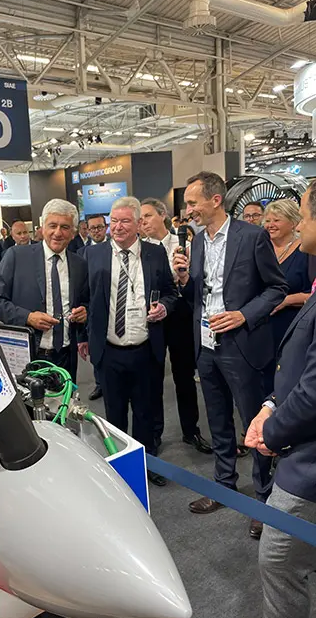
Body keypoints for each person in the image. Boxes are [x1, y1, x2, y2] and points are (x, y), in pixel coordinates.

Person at [173, 171, 288, 532]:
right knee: (218, 419)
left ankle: (264, 501)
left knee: (253, 423)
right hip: (207, 346)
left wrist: (243, 315)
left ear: (215, 200)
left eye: (192, 203)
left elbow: (277, 288)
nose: (188, 210)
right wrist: (184, 281)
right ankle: (224, 486)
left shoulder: (251, 236)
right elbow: (199, 294)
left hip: (243, 346)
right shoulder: (197, 242)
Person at [245, 182, 316, 618]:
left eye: (305, 214)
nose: (300, 222)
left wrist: (271, 431)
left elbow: (313, 392)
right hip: (297, 439)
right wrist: (272, 403)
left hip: (307, 466)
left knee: (278, 560)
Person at [84, 196, 178, 487]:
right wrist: (82, 337)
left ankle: (147, 463)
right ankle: (120, 467)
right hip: (109, 351)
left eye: (125, 221)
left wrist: (164, 307)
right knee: (113, 414)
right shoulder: (93, 255)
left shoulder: (155, 253)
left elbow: (171, 293)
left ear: (138, 224)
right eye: (114, 221)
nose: (118, 227)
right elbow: (83, 300)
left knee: (145, 412)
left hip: (146, 349)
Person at [0, 199, 88, 382]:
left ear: (73, 232)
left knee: (65, 400)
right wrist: (28, 317)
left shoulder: (79, 264)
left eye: (65, 227)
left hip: (66, 357)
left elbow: (85, 302)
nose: (58, 232)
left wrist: (84, 312)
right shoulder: (16, 257)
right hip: (29, 357)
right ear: (42, 228)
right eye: (52, 226)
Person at [140, 197, 211, 455]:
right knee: (153, 378)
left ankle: (191, 430)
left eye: (147, 216)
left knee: (184, 377)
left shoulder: (185, 244)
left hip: (182, 315)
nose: (143, 222)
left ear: (163, 215)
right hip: (154, 316)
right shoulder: (140, 250)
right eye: (140, 218)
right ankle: (154, 434)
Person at [263, 199, 311, 391]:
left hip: (291, 326)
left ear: (293, 223)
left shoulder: (306, 250)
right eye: (267, 220)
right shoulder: (261, 248)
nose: (270, 225)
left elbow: (312, 294)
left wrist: (286, 301)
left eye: (276, 220)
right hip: (261, 328)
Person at [77, 214, 109, 400]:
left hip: (114, 308)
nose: (96, 231)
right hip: (92, 309)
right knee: (96, 349)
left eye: (100, 227)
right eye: (92, 228)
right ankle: (100, 384)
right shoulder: (82, 253)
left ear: (106, 227)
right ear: (87, 230)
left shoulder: (116, 248)